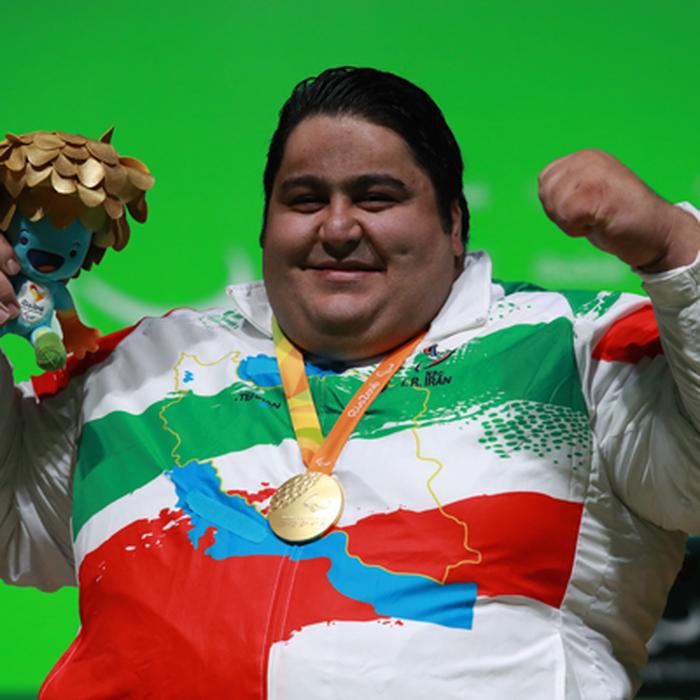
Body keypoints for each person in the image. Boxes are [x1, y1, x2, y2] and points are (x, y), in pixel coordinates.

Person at [1, 67, 700, 699]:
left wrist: (676, 248)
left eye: (377, 197)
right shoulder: (139, 369)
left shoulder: (576, 346)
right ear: (266, 226)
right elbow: (12, 522)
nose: (337, 227)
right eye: (305, 199)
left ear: (454, 224)